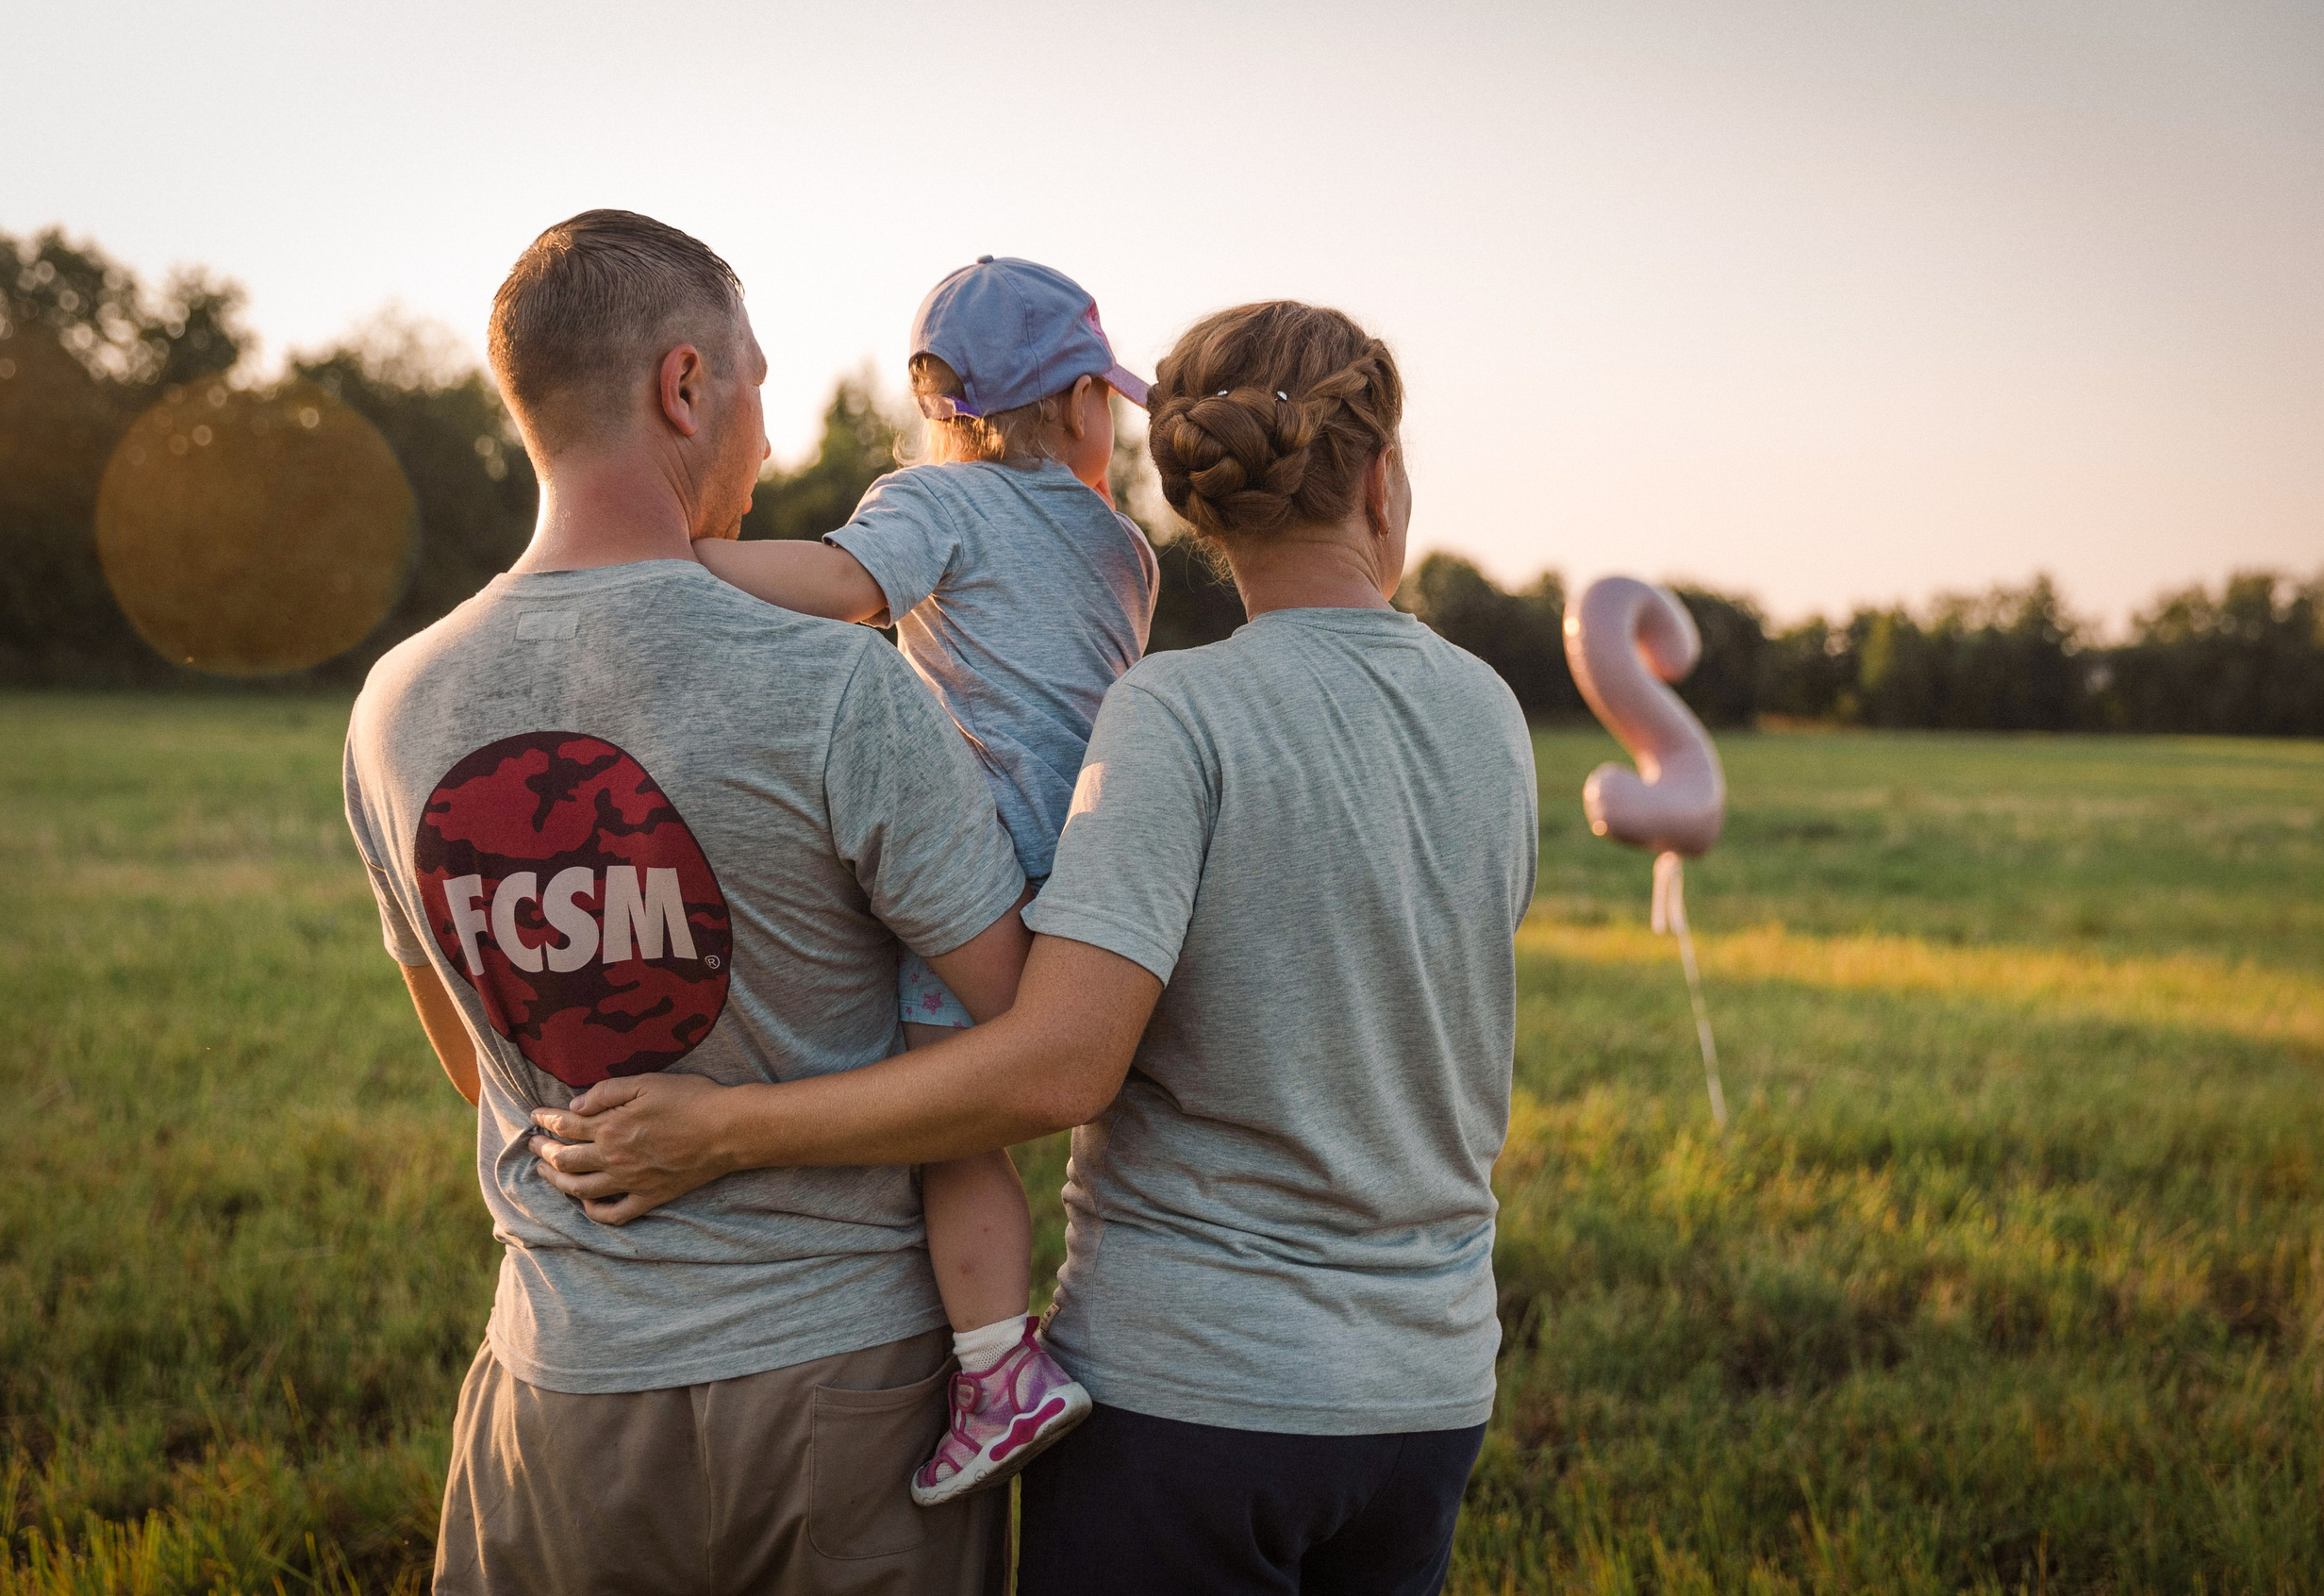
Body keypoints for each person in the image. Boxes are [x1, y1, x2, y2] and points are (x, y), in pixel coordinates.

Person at [530, 299, 1540, 1595]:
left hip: (1193, 1401)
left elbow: (1059, 1068)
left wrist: (723, 1130)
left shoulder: (1177, 713)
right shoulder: (1491, 713)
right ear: (1382, 484)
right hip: (1428, 1397)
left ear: (1201, 507)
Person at [340, 208, 1029, 1595]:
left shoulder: (393, 705)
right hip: (844, 1412)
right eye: (758, 385)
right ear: (684, 385)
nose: (768, 442)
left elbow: (474, 1056)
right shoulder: (837, 681)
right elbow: (1015, 1045)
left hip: (559, 1399)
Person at [691, 255, 1160, 1504]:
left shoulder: (940, 501)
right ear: (1076, 406)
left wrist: (679, 560)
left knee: (951, 1132)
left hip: (983, 865)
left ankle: (998, 1369)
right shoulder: (1124, 547)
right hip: (1105, 874)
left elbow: (846, 589)